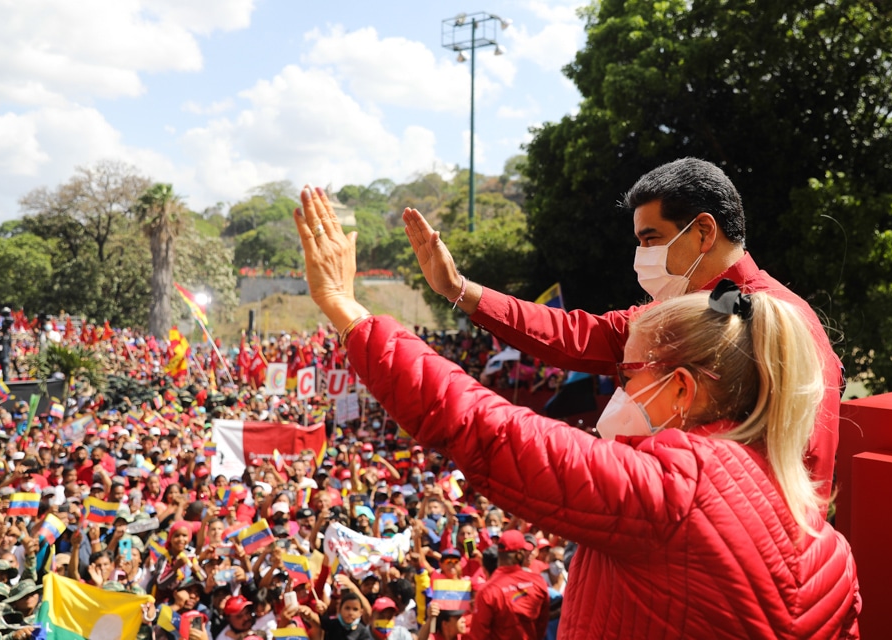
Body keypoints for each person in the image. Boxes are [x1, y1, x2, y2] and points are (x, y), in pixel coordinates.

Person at [292, 185, 860, 638]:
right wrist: (462, 290)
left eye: (631, 375)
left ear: (687, 388)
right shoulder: (829, 553)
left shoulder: (672, 492)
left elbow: (493, 432)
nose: (621, 393)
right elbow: (583, 332)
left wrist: (347, 311)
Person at [403, 158, 843, 507]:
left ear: (704, 232)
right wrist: (458, 290)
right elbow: (577, 334)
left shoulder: (771, 323)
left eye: (651, 239)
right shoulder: (681, 307)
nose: (641, 256)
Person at [468, 531, 549, 640]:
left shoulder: (487, 591)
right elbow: (542, 626)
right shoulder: (539, 582)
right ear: (519, 554)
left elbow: (478, 635)